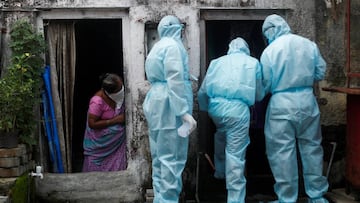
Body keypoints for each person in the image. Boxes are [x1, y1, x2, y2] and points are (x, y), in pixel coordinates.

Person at [260, 14, 329, 203]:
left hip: (281, 103)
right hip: (307, 100)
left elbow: (265, 83)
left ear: (269, 32)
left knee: (282, 152)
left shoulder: (270, 51)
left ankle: (287, 198)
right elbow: (320, 71)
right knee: (312, 149)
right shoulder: (309, 45)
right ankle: (317, 196)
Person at [198, 37, 264, 203]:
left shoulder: (216, 62)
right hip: (237, 111)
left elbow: (203, 90)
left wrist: (206, 110)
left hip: (216, 110)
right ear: (246, 49)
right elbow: (259, 94)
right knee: (235, 153)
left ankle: (220, 172)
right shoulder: (253, 62)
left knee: (221, 135)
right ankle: (235, 198)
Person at [142, 15, 197, 203]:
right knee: (171, 159)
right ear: (176, 29)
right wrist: (183, 112)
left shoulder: (156, 47)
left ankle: (161, 199)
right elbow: (174, 78)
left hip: (155, 101)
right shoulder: (173, 46)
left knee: (159, 158)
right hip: (169, 104)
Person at [82, 73, 127, 172]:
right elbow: (92, 124)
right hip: (99, 145)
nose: (122, 90)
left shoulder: (119, 98)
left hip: (114, 145)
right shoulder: (97, 102)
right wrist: (115, 120)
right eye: (119, 89)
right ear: (111, 92)